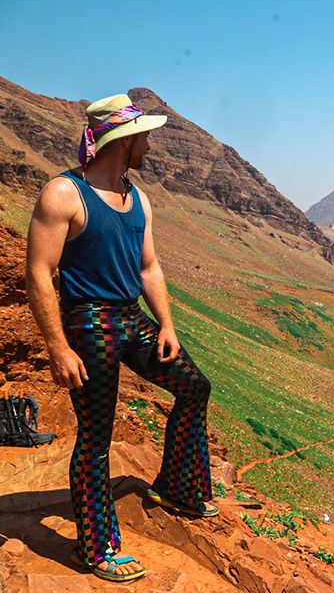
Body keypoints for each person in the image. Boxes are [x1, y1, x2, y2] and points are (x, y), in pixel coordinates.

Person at [25, 94, 218, 583]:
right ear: (123, 139)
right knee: (97, 436)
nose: (150, 145)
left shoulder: (137, 197)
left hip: (131, 318)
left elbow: (148, 266)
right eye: (145, 136)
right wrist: (57, 347)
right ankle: (97, 547)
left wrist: (168, 325)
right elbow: (39, 273)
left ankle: (177, 487)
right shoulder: (63, 194)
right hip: (88, 324)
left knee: (195, 387)